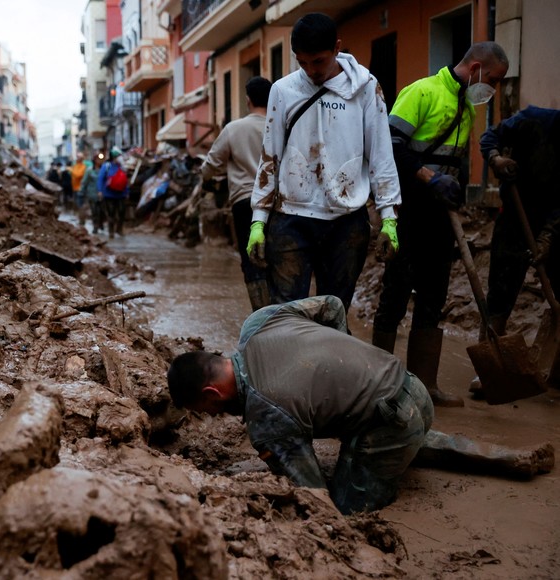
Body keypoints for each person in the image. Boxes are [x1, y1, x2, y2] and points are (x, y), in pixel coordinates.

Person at [167, 295, 434, 514]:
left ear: (212, 393)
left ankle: (407, 443)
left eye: (205, 410)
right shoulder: (259, 321)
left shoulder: (265, 417)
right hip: (415, 389)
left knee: (344, 511)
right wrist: (339, 358)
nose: (212, 416)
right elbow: (333, 305)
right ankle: (427, 441)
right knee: (365, 415)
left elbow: (314, 494)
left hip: (395, 425)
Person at [372, 42, 509, 407]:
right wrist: (429, 177)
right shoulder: (421, 92)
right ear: (477, 67)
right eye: (492, 80)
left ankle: (425, 385)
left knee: (434, 297)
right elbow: (390, 145)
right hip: (408, 210)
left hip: (441, 215)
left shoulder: (466, 107)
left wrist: (451, 188)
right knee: (395, 295)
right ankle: (379, 386)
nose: (491, 89)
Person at [246, 13, 401, 313]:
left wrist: (389, 216)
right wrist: (258, 221)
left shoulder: (367, 87)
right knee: (287, 315)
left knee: (334, 313)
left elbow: (381, 155)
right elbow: (270, 158)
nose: (310, 70)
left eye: (317, 61)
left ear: (337, 48)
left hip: (347, 221)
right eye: (301, 62)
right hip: (291, 218)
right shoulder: (283, 90)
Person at [471, 106, 560, 395]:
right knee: (501, 291)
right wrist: (496, 159)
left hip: (553, 220)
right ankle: (489, 369)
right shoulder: (531, 119)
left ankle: (555, 370)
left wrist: (547, 238)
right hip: (515, 215)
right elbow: (488, 137)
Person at [201, 76, 274, 311]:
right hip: (280, 203)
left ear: (248, 100)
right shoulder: (280, 126)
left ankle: (262, 318)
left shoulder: (234, 129)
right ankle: (284, 318)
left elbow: (211, 164)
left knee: (252, 260)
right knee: (278, 259)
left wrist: (206, 180)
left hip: (245, 203)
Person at [97, 147, 128, 238]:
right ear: (114, 157)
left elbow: (125, 181)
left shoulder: (122, 167)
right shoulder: (106, 166)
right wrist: (100, 191)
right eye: (118, 156)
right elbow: (100, 179)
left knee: (122, 212)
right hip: (109, 194)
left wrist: (127, 192)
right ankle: (111, 231)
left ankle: (119, 229)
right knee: (111, 213)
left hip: (121, 194)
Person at [78, 156, 102, 233]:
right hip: (92, 194)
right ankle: (95, 226)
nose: (99, 161)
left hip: (102, 195)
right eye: (98, 159)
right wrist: (81, 192)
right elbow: (84, 182)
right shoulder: (89, 171)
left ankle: (100, 223)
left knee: (101, 211)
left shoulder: (103, 170)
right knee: (94, 211)